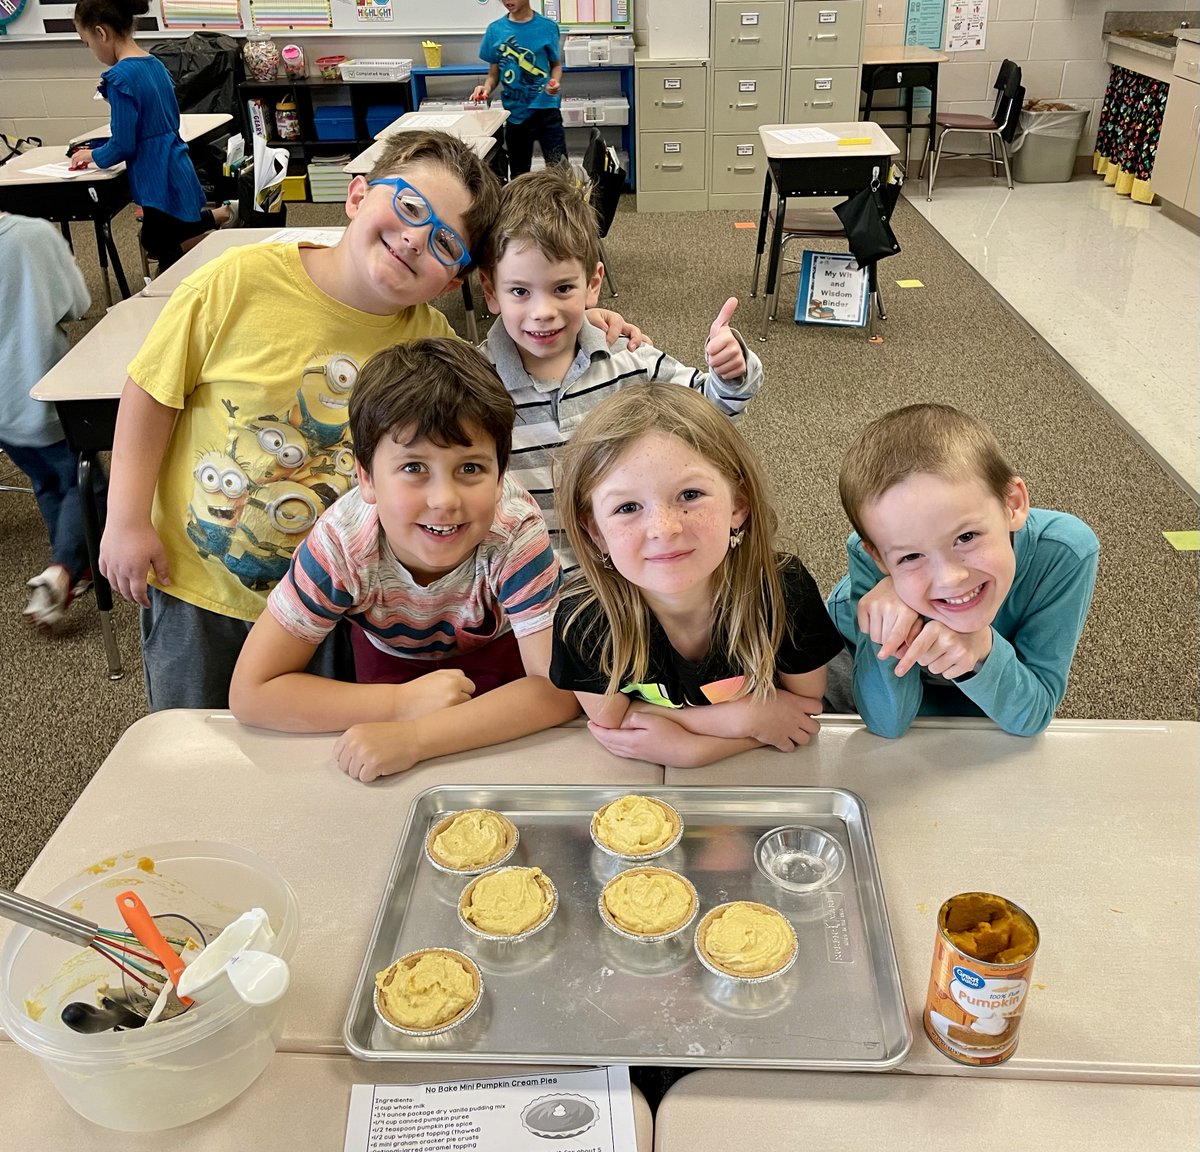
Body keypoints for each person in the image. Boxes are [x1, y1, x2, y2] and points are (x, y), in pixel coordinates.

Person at [97, 130, 503, 711]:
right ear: (358, 195)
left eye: (445, 243)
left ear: (454, 281)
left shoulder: (433, 345)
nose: (415, 238)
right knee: (194, 746)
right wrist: (127, 520)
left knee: (314, 753)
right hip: (201, 586)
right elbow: (152, 393)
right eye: (409, 205)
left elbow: (500, 408)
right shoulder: (237, 281)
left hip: (335, 604)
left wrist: (593, 329)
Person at [229, 338, 576, 781]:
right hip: (390, 665)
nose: (445, 500)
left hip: (500, 657)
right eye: (414, 467)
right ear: (366, 478)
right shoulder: (342, 544)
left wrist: (418, 738)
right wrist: (399, 704)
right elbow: (251, 693)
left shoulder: (513, 532)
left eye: (470, 468)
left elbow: (558, 688)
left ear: (500, 475)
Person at [479, 163, 763, 565]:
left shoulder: (627, 358)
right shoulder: (474, 383)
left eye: (562, 288)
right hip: (524, 588)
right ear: (491, 292)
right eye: (520, 291)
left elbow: (710, 412)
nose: (542, 312)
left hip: (623, 574)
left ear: (593, 284)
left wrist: (729, 372)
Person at [550, 384, 844, 768]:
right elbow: (610, 722)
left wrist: (689, 743)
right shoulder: (583, 621)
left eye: (689, 495)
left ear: (738, 504)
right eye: (627, 507)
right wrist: (743, 720)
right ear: (595, 532)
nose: (663, 528)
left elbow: (805, 708)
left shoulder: (783, 590)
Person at [826, 403, 1099, 738]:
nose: (950, 578)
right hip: (855, 656)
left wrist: (981, 650)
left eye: (966, 537)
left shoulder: (1064, 552)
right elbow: (887, 722)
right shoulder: (868, 556)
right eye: (910, 557)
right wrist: (887, 634)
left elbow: (1032, 714)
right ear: (878, 559)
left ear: (1012, 504)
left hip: (972, 699)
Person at [70, 0, 234, 270]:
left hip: (154, 175)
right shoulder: (154, 64)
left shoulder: (119, 77)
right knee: (172, 234)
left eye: (87, 43)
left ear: (101, 33)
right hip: (177, 163)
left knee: (159, 242)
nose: (92, 51)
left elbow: (122, 144)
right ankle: (221, 217)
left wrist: (91, 155)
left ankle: (222, 233)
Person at [0, 209, 105, 630]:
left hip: (4, 410)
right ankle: (61, 570)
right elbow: (78, 304)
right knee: (89, 485)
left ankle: (73, 564)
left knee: (46, 479)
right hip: (42, 389)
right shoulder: (33, 235)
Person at [470, 0, 566, 178]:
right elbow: (493, 73)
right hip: (515, 114)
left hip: (547, 110)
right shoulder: (495, 30)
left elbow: (556, 65)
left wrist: (555, 82)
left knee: (560, 172)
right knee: (518, 174)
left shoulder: (548, 27)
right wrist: (486, 87)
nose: (507, 1)